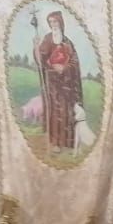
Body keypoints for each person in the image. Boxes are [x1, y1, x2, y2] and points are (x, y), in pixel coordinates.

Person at [35, 9, 83, 153]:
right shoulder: (48, 39)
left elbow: (74, 62)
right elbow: (42, 58)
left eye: (55, 21)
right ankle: (55, 142)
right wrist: (36, 48)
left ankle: (68, 143)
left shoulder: (68, 42)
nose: (53, 24)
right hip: (53, 83)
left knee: (67, 111)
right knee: (56, 112)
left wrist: (65, 68)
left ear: (60, 22)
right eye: (50, 22)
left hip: (67, 83)